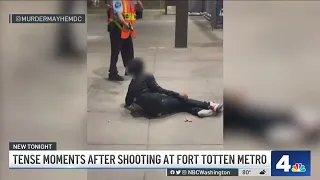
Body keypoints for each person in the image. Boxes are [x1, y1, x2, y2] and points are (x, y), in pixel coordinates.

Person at [124, 58, 223, 118]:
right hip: (159, 103)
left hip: (150, 112)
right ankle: (209, 105)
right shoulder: (147, 76)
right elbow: (160, 90)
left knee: (180, 106)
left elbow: (127, 102)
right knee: (181, 100)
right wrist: (178, 94)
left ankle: (198, 111)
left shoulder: (132, 84)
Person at [107, 0, 140, 81]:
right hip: (117, 28)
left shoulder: (129, 1)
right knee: (115, 51)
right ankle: (112, 73)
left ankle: (130, 70)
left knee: (128, 50)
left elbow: (139, 9)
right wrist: (127, 25)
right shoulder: (117, 1)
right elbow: (119, 15)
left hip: (126, 29)